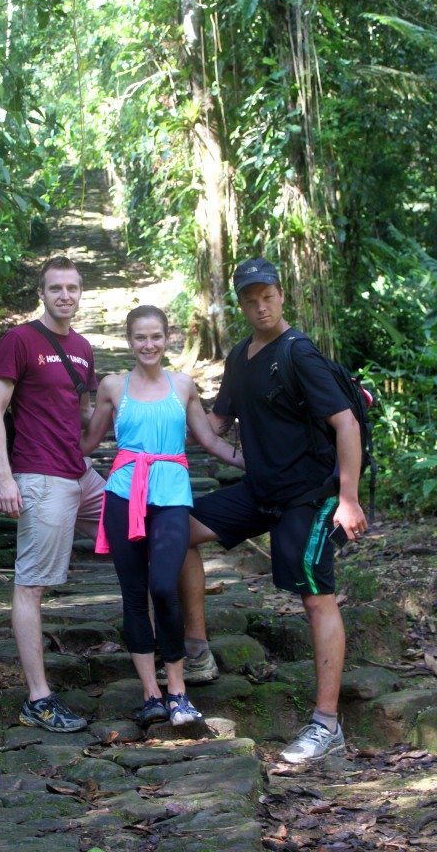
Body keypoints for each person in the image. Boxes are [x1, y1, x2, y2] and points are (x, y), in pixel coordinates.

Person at [179, 257, 367, 763]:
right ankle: (195, 653)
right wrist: (170, 401)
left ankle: (326, 725)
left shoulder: (298, 353)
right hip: (261, 489)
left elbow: (346, 425)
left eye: (268, 295)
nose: (260, 305)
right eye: (250, 298)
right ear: (240, 304)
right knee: (175, 531)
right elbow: (215, 424)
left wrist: (347, 499)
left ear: (281, 295)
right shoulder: (241, 356)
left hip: (309, 495)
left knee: (314, 595)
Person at [81, 305, 245, 727]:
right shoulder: (113, 386)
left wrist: (260, 466)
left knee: (163, 587)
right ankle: (151, 694)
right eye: (140, 337)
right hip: (122, 494)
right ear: (129, 341)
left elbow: (209, 440)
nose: (148, 345)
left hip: (171, 494)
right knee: (134, 594)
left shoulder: (183, 385)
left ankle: (178, 691)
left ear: (168, 338)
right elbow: (87, 442)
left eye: (156, 337)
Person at [0, 255, 105, 733]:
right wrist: (5, 476)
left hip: (81, 474)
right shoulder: (20, 340)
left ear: (80, 293)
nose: (65, 296)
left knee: (147, 525)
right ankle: (38, 699)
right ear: (43, 292)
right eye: (56, 288)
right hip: (39, 477)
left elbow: (83, 418)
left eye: (72, 288)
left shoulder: (82, 347)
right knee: (31, 584)